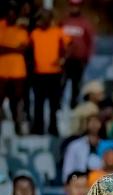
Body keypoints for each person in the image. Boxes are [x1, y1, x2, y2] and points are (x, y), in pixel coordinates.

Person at [30, 9, 68, 136]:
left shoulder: (57, 32)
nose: (40, 21)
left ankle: (53, 127)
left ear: (49, 19)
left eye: (43, 18)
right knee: (38, 103)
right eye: (39, 18)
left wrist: (63, 58)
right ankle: (38, 128)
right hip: (38, 73)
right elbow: (29, 49)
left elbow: (69, 45)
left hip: (54, 73)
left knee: (54, 103)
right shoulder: (34, 33)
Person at [0, 2, 29, 135]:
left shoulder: (22, 30)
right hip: (2, 72)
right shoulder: (1, 27)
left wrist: (6, 48)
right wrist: (14, 49)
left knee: (16, 101)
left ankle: (17, 126)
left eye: (13, 13)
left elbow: (24, 49)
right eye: (9, 12)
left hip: (18, 72)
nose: (11, 15)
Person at [60, 0, 95, 109]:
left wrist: (87, 57)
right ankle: (58, 107)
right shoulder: (64, 22)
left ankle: (74, 108)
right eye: (72, 5)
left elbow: (90, 42)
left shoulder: (85, 23)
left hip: (79, 60)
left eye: (77, 6)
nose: (74, 8)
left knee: (76, 86)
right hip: (65, 60)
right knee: (61, 85)